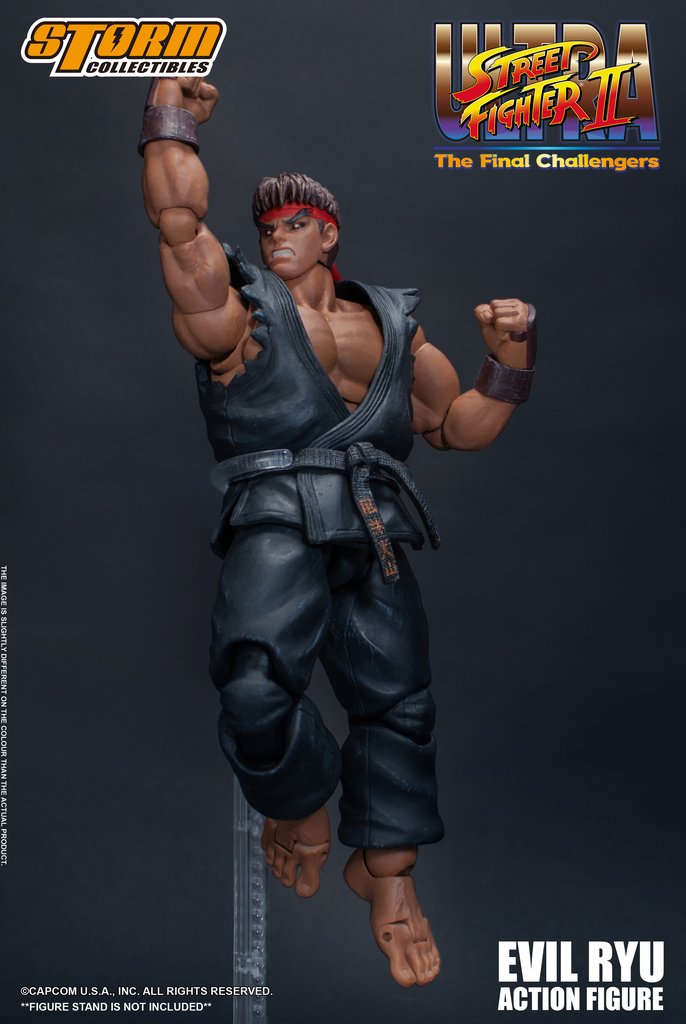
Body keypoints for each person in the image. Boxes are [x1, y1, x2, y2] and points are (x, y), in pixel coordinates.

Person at [140, 76, 535, 988]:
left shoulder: (394, 325)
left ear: (329, 234)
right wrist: (170, 121)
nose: (275, 235)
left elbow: (457, 425)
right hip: (277, 513)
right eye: (266, 225)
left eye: (295, 223)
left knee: (398, 706)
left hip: (376, 523)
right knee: (254, 686)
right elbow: (178, 224)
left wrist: (511, 356)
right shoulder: (239, 310)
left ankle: (388, 879)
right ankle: (300, 803)